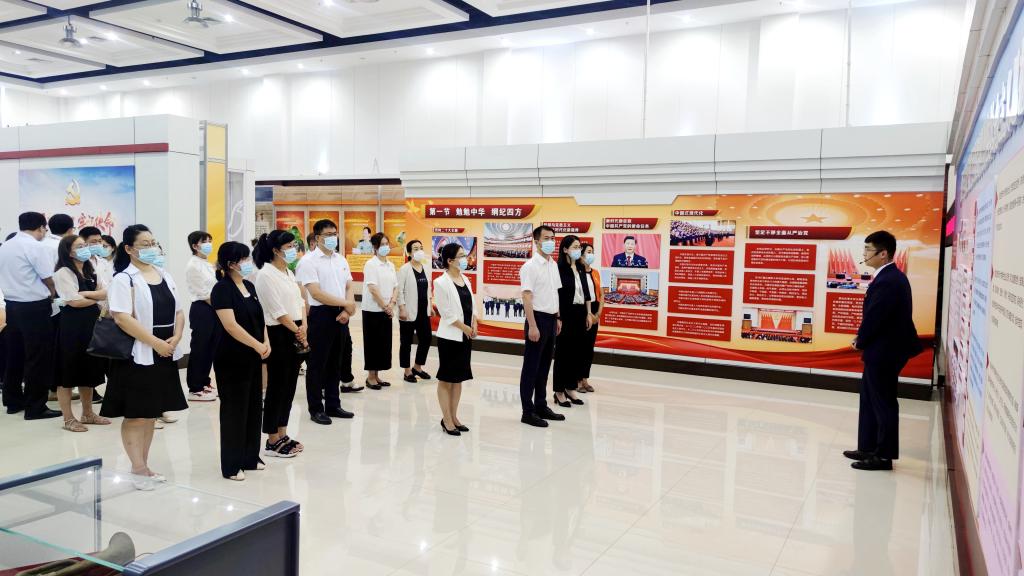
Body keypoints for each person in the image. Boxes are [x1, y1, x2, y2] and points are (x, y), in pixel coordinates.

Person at [100, 224, 188, 489]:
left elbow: (179, 311)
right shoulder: (124, 279)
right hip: (138, 355)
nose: (152, 248)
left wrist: (177, 336)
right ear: (129, 249)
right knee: (136, 414)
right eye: (145, 244)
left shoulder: (164, 274)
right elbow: (121, 318)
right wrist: (155, 343)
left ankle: (144, 466)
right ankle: (137, 469)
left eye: (153, 243)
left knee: (150, 413)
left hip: (164, 352)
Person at [845, 231, 922, 471]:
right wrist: (863, 337)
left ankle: (883, 455)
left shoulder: (889, 280)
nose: (864, 254)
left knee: (883, 402)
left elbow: (876, 316)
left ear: (883, 253)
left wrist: (861, 339)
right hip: (880, 349)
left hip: (886, 351)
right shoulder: (888, 277)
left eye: (868, 249)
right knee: (869, 398)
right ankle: (868, 447)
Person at [211, 242, 269, 480]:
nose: (248, 263)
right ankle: (232, 464)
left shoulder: (249, 285)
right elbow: (231, 326)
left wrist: (265, 342)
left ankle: (250, 457)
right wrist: (256, 345)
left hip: (254, 355)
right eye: (243, 259)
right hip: (232, 357)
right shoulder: (222, 289)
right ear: (231, 264)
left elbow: (260, 317)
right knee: (235, 409)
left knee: (254, 406)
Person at [296, 219, 358, 425]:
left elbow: (349, 285)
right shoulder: (309, 261)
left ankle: (333, 404)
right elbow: (315, 293)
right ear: (317, 237)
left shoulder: (340, 259)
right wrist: (347, 304)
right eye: (328, 235)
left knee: (335, 362)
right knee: (317, 364)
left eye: (335, 234)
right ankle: (316, 408)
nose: (333, 238)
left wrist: (347, 310)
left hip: (341, 314)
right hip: (321, 314)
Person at [0, 212, 60, 419]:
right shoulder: (35, 247)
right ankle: (36, 407)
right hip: (34, 307)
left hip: (12, 305)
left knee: (15, 354)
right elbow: (47, 277)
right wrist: (52, 293)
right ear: (41, 227)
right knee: (38, 357)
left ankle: (13, 401)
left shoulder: (6, 246)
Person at [254, 231, 306, 458]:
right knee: (277, 387)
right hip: (279, 333)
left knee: (289, 386)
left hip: (296, 330)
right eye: (289, 246)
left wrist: (304, 326)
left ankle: (283, 433)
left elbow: (300, 301)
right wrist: (298, 330)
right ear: (276, 250)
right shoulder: (265, 275)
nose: (294, 250)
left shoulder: (288, 272)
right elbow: (277, 311)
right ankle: (272, 438)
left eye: (294, 245)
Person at [53, 235, 109, 431]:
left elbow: (106, 291)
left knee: (89, 370)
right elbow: (74, 302)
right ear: (68, 252)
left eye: (85, 245)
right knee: (67, 373)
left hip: (91, 324)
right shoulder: (63, 272)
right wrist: (95, 297)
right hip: (72, 327)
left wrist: (87, 295)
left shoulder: (89, 268)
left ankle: (88, 413)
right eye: (80, 246)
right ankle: (68, 418)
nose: (85, 248)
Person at [518, 225, 565, 428]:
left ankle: (540, 405)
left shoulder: (552, 264)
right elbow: (527, 297)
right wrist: (533, 325)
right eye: (546, 238)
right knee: (531, 367)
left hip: (551, 319)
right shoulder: (530, 266)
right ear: (536, 241)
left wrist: (558, 317)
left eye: (553, 238)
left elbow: (555, 293)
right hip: (537, 319)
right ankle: (527, 412)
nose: (551, 242)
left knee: (544, 367)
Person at [433, 242, 477, 436]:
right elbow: (446, 313)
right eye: (461, 256)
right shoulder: (440, 282)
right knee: (446, 378)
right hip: (450, 337)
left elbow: (471, 305)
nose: (465, 258)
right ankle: (446, 419)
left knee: (458, 379)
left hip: (465, 336)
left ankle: (454, 416)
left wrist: (474, 322)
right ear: (450, 261)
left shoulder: (465, 279)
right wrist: (465, 327)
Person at [552, 235, 591, 409]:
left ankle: (570, 387)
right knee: (563, 354)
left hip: (580, 313)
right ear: (565, 249)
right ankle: (559, 391)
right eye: (575, 247)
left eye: (579, 247)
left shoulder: (581, 267)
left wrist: (588, 313)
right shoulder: (559, 268)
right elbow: (556, 294)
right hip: (565, 314)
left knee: (576, 353)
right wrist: (558, 317)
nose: (578, 250)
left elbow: (586, 293)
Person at [185, 231, 219, 402]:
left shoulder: (207, 263)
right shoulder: (193, 265)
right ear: (195, 246)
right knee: (200, 348)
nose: (208, 244)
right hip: (202, 309)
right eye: (204, 241)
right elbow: (205, 293)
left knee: (210, 348)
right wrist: (223, 307)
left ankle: (205, 382)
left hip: (213, 309)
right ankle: (195, 387)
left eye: (209, 240)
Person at [361, 232, 398, 390]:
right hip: (373, 310)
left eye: (387, 244)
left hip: (386, 309)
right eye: (382, 244)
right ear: (375, 247)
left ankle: (377, 375)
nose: (385, 247)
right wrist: (385, 306)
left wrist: (392, 303)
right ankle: (370, 377)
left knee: (383, 344)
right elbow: (373, 288)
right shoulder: (371, 264)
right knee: (372, 344)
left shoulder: (390, 265)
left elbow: (396, 286)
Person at [397, 240, 433, 383]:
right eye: (416, 248)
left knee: (426, 338)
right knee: (406, 342)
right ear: (409, 252)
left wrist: (430, 306)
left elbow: (428, 289)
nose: (419, 251)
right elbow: (399, 291)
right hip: (408, 311)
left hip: (423, 311)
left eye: (421, 248)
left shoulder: (426, 267)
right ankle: (407, 371)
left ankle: (417, 367)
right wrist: (402, 308)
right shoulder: (404, 269)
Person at [579, 243, 601, 393]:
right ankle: (577, 380)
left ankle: (585, 379)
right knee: (579, 347)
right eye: (588, 251)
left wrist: (597, 314)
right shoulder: (577, 272)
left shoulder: (595, 273)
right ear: (581, 255)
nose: (591, 254)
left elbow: (601, 295)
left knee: (589, 348)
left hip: (594, 310)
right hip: (581, 311)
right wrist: (588, 314)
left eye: (592, 251)